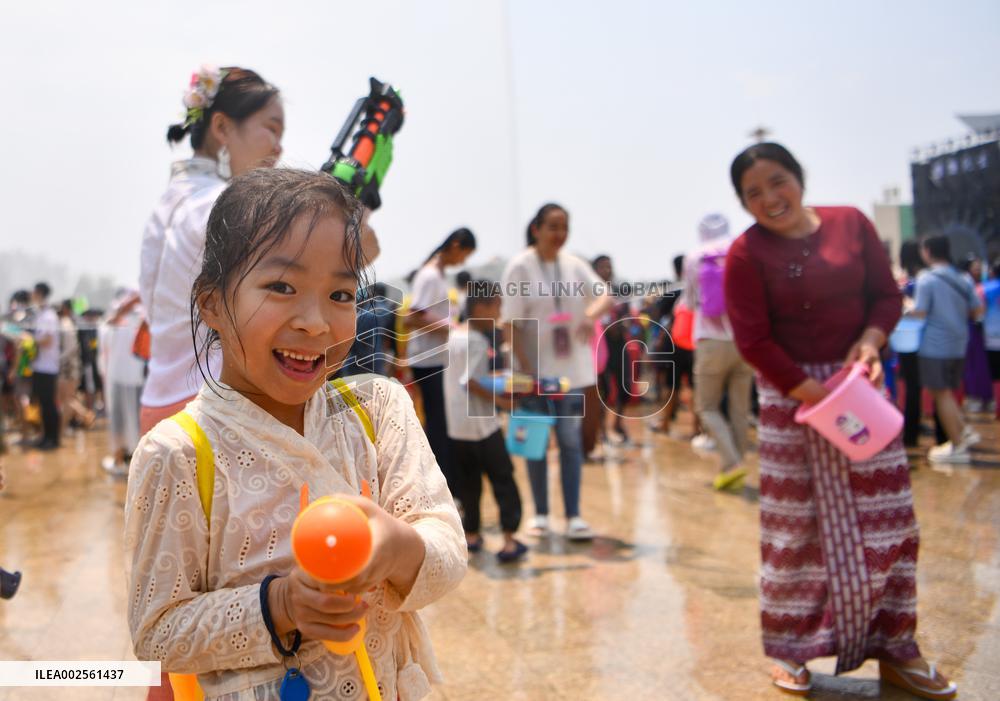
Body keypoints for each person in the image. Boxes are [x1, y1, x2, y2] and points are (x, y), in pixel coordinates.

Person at [125, 169, 466, 700]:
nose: (316, 322)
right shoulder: (181, 452)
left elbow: (448, 548)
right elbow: (158, 632)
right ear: (212, 303)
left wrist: (398, 546)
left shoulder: (379, 412)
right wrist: (280, 605)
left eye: (340, 293)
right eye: (281, 287)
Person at [725, 142, 956, 699]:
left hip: (862, 390)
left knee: (890, 521)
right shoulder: (744, 254)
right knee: (795, 530)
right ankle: (792, 649)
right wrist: (816, 399)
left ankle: (898, 648)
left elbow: (885, 297)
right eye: (752, 193)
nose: (769, 198)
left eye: (777, 181)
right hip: (790, 401)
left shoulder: (851, 224)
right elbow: (753, 340)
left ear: (799, 178)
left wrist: (870, 346)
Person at [139, 65, 283, 434]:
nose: (279, 148)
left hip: (157, 405)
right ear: (222, 128)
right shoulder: (221, 205)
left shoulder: (168, 204)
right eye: (272, 128)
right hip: (209, 412)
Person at [501, 204, 612, 540]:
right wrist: (525, 372)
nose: (559, 234)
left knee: (570, 443)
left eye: (565, 226)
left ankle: (574, 515)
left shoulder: (574, 264)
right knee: (535, 444)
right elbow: (510, 325)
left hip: (572, 373)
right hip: (533, 374)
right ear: (536, 229)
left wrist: (590, 316)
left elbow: (605, 294)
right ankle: (542, 515)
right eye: (553, 226)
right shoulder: (520, 267)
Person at [444, 280, 527, 562]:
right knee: (503, 478)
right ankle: (509, 538)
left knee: (469, 484)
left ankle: (473, 534)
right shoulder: (477, 341)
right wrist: (503, 402)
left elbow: (462, 378)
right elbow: (472, 381)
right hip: (482, 427)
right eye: (497, 306)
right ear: (480, 307)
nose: (499, 313)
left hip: (458, 428)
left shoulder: (455, 335)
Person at [405, 228, 477, 499]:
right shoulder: (429, 275)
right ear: (456, 246)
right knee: (439, 425)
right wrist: (451, 327)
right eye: (465, 254)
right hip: (428, 361)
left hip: (436, 359)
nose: (463, 261)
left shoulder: (436, 275)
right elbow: (413, 317)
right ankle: (440, 488)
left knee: (441, 424)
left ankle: (442, 486)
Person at [684, 213, 753, 490]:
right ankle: (735, 465)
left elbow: (689, 302)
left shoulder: (695, 257)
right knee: (740, 408)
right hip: (744, 341)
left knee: (708, 406)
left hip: (710, 340)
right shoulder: (742, 250)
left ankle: (732, 464)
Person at [908, 235, 984, 463]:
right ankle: (962, 434)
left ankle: (959, 444)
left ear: (928, 251)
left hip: (934, 345)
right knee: (948, 392)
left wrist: (906, 309)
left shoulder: (926, 279)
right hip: (959, 344)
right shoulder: (962, 278)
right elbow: (977, 310)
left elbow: (920, 312)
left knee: (940, 394)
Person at [99, 291, 147, 476]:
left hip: (128, 379)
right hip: (128, 378)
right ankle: (124, 460)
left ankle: (128, 461)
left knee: (126, 424)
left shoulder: (135, 319)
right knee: (126, 423)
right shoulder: (129, 320)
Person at [897, 240, 926, 447]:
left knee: (911, 386)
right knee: (925, 386)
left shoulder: (907, 283)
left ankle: (911, 433)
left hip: (907, 338)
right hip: (927, 338)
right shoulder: (924, 278)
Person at [30, 282, 61, 450]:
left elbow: (47, 340)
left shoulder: (49, 316)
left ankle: (53, 438)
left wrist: (29, 340)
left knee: (49, 403)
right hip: (39, 366)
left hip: (48, 367)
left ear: (40, 293)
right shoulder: (40, 315)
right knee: (42, 403)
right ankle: (45, 436)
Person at [57, 300, 95, 432]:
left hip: (68, 368)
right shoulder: (68, 323)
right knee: (68, 398)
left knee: (67, 399)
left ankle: (83, 416)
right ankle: (84, 415)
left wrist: (59, 360)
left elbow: (71, 348)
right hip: (71, 366)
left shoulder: (66, 324)